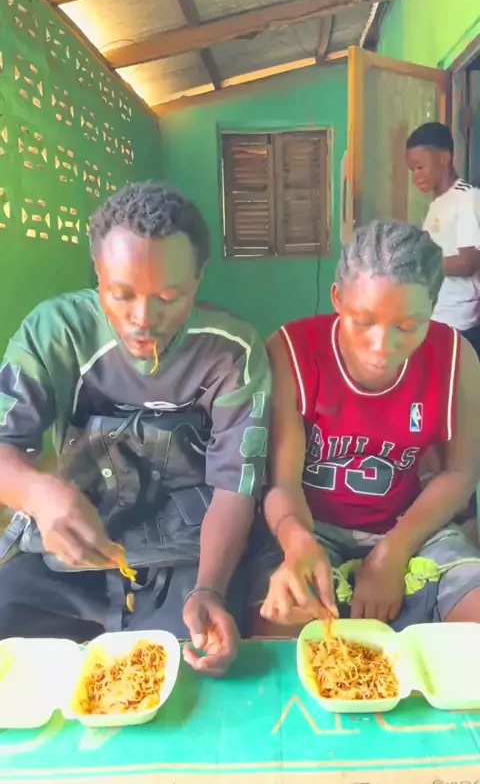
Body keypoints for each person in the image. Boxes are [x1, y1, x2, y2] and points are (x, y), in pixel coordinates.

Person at [0, 182, 271, 676]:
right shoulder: (55, 331)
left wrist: (209, 588)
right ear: (97, 272)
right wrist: (38, 493)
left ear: (198, 278)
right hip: (75, 541)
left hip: (188, 553)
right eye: (121, 294)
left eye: (169, 296)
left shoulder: (232, 351)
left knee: (186, 667)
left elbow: (236, 485)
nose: (144, 319)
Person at [249, 220, 480, 633]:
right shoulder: (291, 353)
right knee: (279, 628)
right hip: (310, 527)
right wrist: (295, 539)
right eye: (363, 321)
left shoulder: (455, 359)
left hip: (412, 526)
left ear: (432, 308)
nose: (381, 346)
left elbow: (460, 472)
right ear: (337, 298)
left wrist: (393, 552)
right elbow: (282, 483)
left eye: (406, 326)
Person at [406, 122, 480, 357]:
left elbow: (467, 263)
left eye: (420, 167)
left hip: (458, 323)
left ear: (444, 159)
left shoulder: (467, 198)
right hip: (436, 318)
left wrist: (423, 263)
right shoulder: (437, 205)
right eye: (412, 170)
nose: (416, 176)